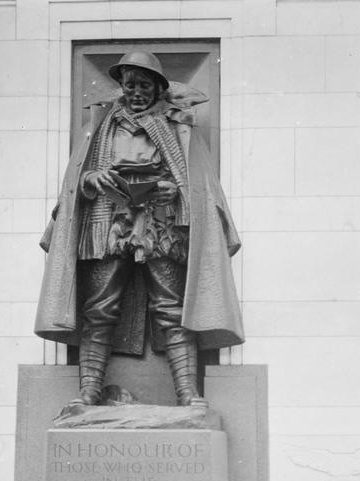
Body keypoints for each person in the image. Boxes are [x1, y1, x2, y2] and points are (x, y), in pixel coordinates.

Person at [35, 51, 244, 406]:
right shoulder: (100, 126)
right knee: (98, 308)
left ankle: (187, 394)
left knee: (172, 307)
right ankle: (88, 391)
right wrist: (91, 177)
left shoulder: (178, 127)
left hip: (161, 221)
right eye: (129, 84)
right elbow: (76, 180)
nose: (135, 92)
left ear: (158, 88)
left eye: (144, 85)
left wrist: (174, 189)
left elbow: (197, 182)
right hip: (107, 218)